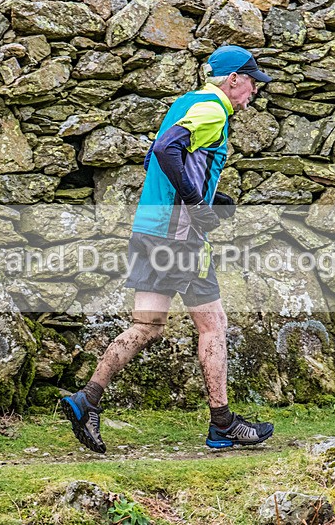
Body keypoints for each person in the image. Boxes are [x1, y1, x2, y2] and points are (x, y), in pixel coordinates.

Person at [61, 45, 275, 454]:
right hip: (180, 238)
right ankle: (222, 424)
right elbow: (165, 152)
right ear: (233, 79)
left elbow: (157, 162)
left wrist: (210, 195)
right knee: (213, 325)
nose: (253, 92)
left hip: (150, 228)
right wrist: (196, 204)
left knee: (147, 327)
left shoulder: (185, 103)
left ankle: (86, 399)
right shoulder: (214, 109)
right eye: (251, 82)